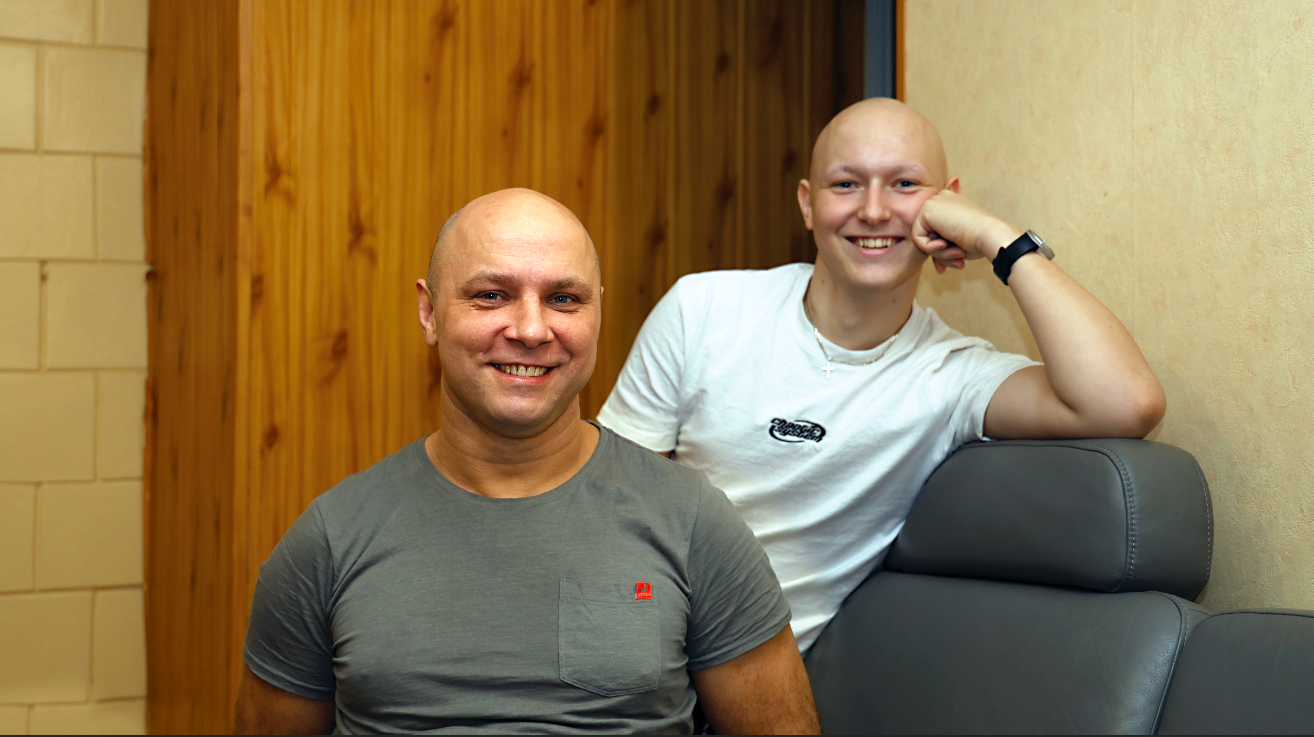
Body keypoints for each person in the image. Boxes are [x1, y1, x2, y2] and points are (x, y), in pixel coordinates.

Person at [234, 189, 820, 735]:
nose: (533, 329)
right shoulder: (330, 541)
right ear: (430, 312)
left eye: (564, 299)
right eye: (492, 295)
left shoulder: (692, 523)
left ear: (597, 313)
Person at [597, 98, 1167, 653]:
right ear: (807, 203)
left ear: (948, 202)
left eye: (904, 184)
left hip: (750, 676)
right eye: (846, 184)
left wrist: (999, 240)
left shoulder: (951, 375)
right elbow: (606, 501)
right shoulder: (702, 309)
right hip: (632, 640)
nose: (873, 211)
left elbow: (1127, 401)